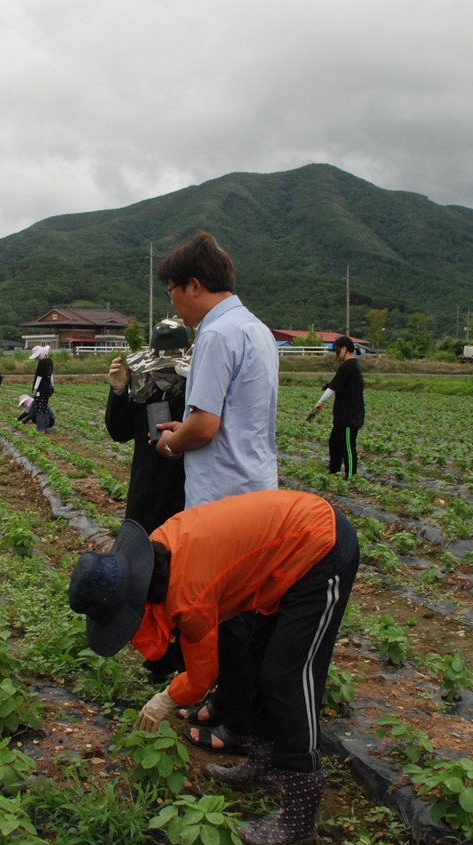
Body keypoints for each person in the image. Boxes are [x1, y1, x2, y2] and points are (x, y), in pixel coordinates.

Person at [68, 490, 360, 845]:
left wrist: (164, 700)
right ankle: (265, 762)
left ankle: (300, 809)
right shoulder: (158, 551)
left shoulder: (187, 595)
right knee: (260, 656)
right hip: (290, 543)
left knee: (287, 675)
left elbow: (202, 678)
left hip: (320, 546)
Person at [152, 230, 280, 753]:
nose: (173, 302)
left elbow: (202, 426)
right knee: (244, 606)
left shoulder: (216, 334)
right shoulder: (257, 329)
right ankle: (229, 702)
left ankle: (239, 724)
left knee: (225, 612)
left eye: (173, 290)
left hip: (221, 492)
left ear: (195, 285)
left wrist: (169, 442)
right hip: (254, 485)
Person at [105, 317, 191, 533]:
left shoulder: (197, 390)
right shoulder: (145, 388)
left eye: (171, 370)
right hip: (146, 489)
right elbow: (120, 431)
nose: (165, 374)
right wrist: (118, 391)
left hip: (187, 488)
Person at [310, 335, 364, 479]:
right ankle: (333, 472)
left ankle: (351, 476)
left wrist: (320, 402)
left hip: (349, 417)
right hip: (342, 416)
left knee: (347, 446)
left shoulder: (349, 366)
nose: (335, 354)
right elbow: (337, 386)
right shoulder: (349, 366)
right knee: (334, 442)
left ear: (345, 349)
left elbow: (333, 387)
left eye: (337, 351)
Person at [29, 344, 55, 431]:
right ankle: (46, 427)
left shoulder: (42, 363)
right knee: (44, 408)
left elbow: (39, 377)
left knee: (39, 409)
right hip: (48, 389)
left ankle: (40, 428)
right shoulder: (50, 361)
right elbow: (51, 375)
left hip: (41, 390)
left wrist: (35, 390)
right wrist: (52, 385)